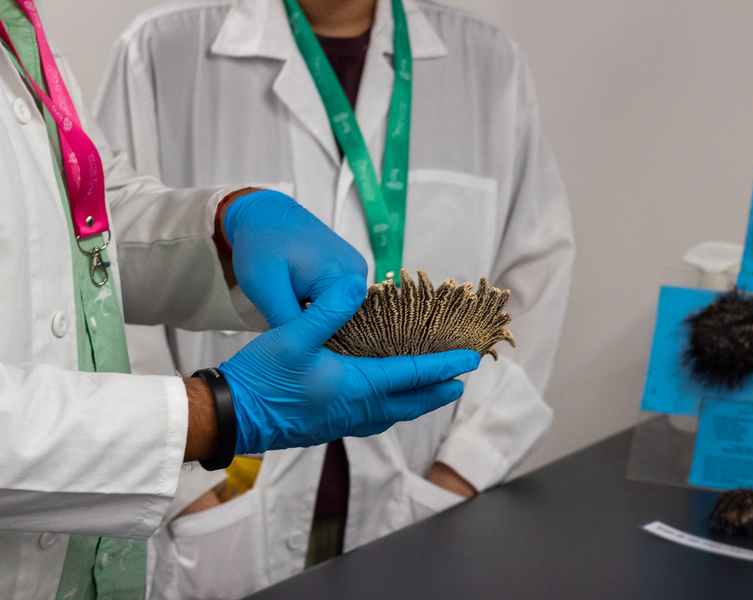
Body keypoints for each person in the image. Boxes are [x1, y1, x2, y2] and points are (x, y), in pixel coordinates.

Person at [0, 0, 482, 598]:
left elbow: (75, 215)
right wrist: (221, 412)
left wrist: (223, 228)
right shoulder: (160, 43)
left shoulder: (16, 22)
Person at [96, 0, 575, 596]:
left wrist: (464, 471)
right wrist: (191, 497)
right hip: (223, 496)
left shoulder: (489, 63)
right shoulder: (161, 50)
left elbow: (534, 276)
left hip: (420, 487)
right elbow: (101, 266)